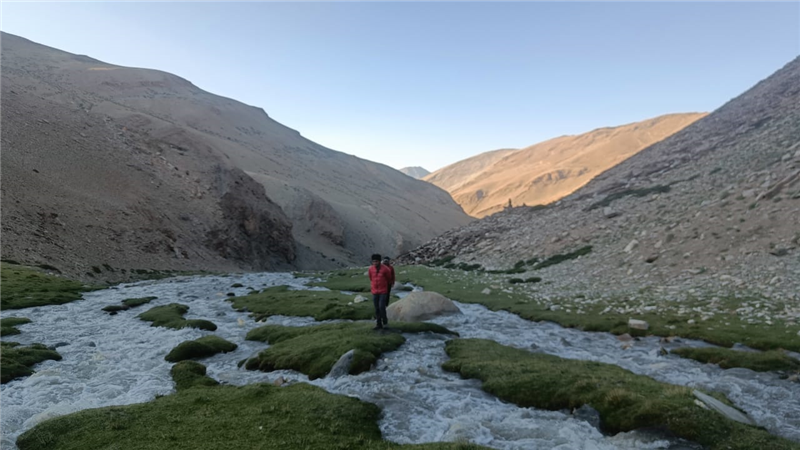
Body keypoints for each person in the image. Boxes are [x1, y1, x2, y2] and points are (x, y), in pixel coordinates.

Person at [368, 254, 391, 329]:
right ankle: (378, 324)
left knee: (382, 307)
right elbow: (371, 278)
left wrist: (387, 290)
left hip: (383, 291)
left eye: (376, 261)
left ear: (379, 261)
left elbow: (389, 280)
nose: (375, 263)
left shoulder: (385, 269)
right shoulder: (371, 269)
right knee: (376, 308)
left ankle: (385, 322)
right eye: (373, 261)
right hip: (375, 291)